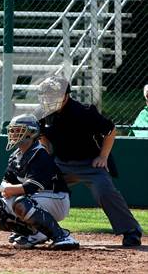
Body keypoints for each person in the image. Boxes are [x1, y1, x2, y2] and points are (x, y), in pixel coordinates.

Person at [37, 75, 143, 247]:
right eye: (46, 95)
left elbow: (110, 130)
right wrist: (47, 153)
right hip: (61, 163)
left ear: (66, 95)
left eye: (53, 95)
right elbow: (42, 135)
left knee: (104, 192)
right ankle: (38, 230)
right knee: (37, 185)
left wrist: (103, 157)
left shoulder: (83, 111)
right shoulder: (43, 113)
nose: (48, 99)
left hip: (89, 163)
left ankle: (131, 230)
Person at [0, 114, 79, 250]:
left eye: (18, 130)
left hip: (56, 198)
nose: (13, 134)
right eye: (12, 130)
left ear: (31, 132)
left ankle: (62, 237)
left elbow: (30, 187)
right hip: (34, 199)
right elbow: (7, 190)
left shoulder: (40, 154)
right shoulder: (15, 156)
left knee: (21, 203)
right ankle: (35, 233)